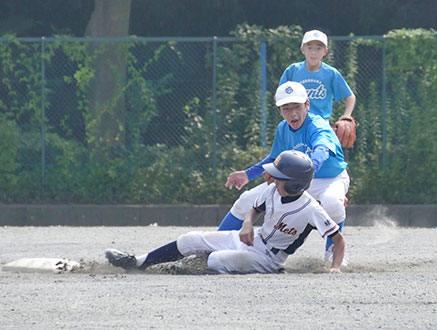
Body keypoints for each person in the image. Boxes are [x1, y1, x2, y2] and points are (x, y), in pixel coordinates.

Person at [105, 150, 346, 274]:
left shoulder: (311, 208)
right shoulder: (273, 190)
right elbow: (255, 209)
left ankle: (176, 270)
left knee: (216, 260)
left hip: (269, 259)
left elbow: (338, 239)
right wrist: (247, 224)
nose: (269, 176)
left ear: (294, 184)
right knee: (190, 239)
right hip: (252, 241)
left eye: (277, 175)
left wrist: (335, 267)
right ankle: (137, 263)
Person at [218, 81, 350, 265]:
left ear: (307, 105)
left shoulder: (318, 126)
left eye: (297, 106)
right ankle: (215, 243)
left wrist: (308, 171)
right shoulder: (282, 128)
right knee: (245, 201)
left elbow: (322, 150)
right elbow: (274, 159)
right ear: (279, 110)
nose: (292, 113)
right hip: (294, 178)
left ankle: (332, 251)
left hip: (329, 179)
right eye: (286, 108)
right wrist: (247, 175)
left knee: (332, 203)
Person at [279, 29, 356, 122]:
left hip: (321, 123)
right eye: (309, 47)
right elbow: (279, 95)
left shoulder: (330, 73)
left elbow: (350, 97)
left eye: (318, 48)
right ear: (302, 49)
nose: (313, 52)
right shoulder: (292, 70)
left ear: (325, 51)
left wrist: (346, 116)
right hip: (296, 122)